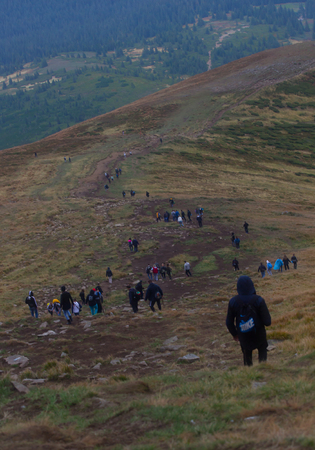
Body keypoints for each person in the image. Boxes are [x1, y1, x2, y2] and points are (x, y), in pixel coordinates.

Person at [226, 275, 271, 366]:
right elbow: (267, 322)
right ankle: (263, 370)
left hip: (243, 336)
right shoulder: (258, 300)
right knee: (262, 351)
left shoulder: (233, 302)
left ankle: (248, 374)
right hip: (259, 335)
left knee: (247, 356)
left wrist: (235, 334)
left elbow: (229, 322)